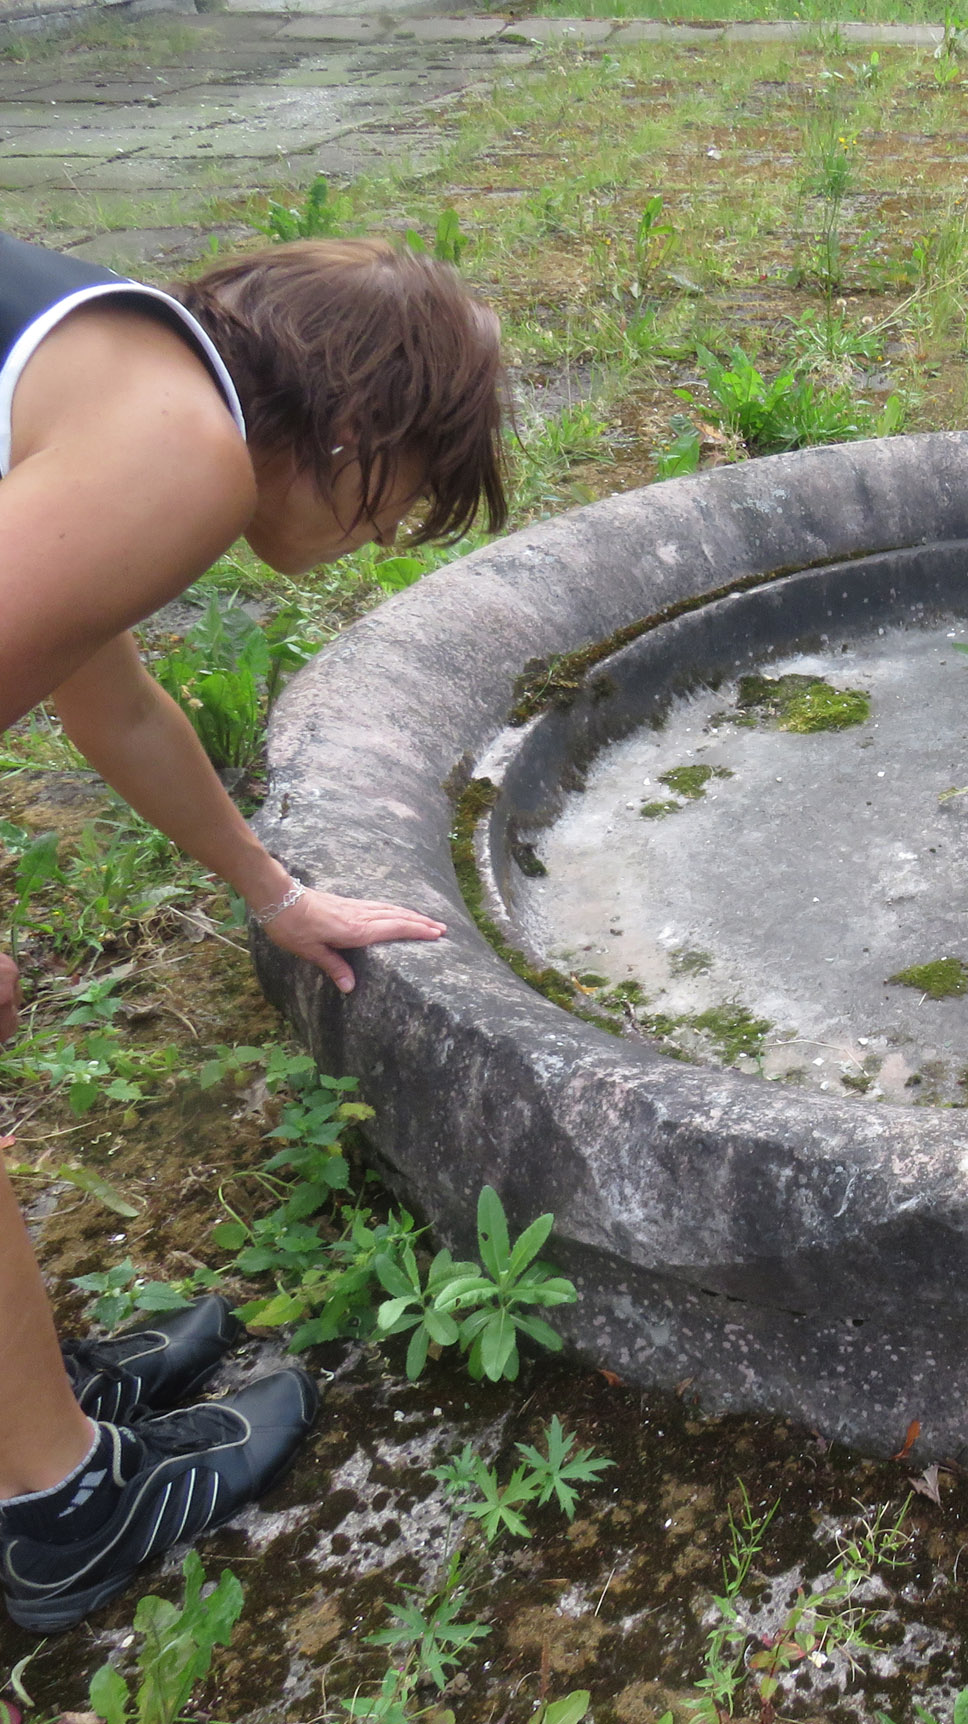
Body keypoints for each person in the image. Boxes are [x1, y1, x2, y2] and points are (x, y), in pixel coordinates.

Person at [0, 234, 506, 1632]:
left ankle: (24, 1397)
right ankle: (59, 1507)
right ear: (356, 434)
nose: (389, 537)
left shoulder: (125, 384)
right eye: (406, 499)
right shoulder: (182, 451)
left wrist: (272, 892)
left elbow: (108, 704)